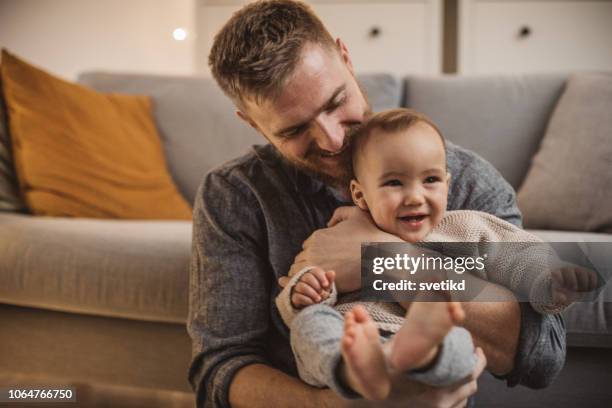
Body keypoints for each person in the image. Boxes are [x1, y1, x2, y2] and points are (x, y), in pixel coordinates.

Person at [187, 1, 566, 407]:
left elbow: (542, 353)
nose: (332, 140)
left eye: (336, 102)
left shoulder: (463, 178)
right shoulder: (234, 195)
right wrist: (332, 405)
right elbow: (220, 370)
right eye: (295, 129)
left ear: (346, 58)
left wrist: (386, 261)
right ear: (251, 121)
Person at [275, 108, 594, 402]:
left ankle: (420, 353)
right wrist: (305, 293)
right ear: (360, 194)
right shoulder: (336, 236)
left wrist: (549, 279)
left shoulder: (462, 229)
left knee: (456, 339)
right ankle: (358, 372)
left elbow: (516, 256)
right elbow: (307, 291)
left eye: (430, 180)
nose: (415, 197)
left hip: (428, 348)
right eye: (394, 183)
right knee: (309, 326)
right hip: (354, 343)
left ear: (447, 184)